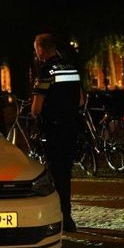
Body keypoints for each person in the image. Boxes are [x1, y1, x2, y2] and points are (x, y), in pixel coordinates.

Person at [30, 33, 83, 233]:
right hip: (71, 127)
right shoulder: (71, 68)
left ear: (42, 49)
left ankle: (59, 217)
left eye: (36, 48)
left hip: (53, 128)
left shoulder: (45, 71)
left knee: (54, 172)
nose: (36, 52)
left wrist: (35, 113)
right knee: (66, 172)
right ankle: (68, 216)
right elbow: (80, 101)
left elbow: (36, 108)